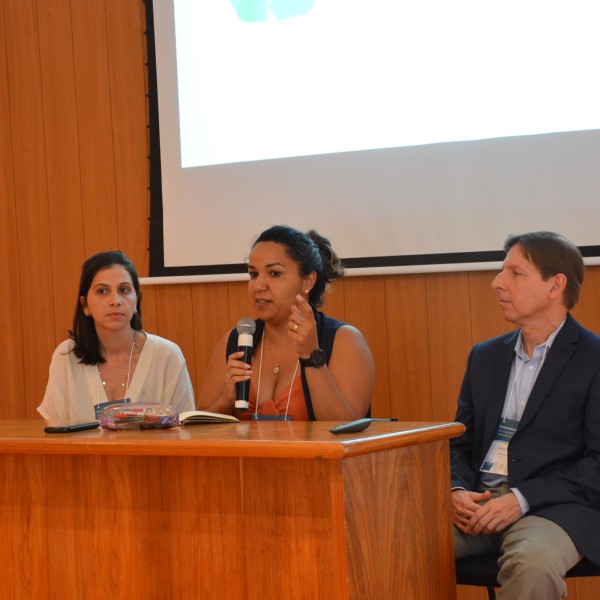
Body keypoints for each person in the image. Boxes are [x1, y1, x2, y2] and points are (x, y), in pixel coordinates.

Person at [451, 231, 600, 600]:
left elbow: (597, 463)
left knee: (531, 563)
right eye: (501, 272)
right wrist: (456, 490)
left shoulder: (594, 359)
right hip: (478, 507)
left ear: (555, 286)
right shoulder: (484, 357)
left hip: (553, 510)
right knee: (392, 540)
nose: (497, 283)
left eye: (514, 273)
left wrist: (520, 498)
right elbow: (460, 442)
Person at [197, 225, 375, 421]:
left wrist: (311, 356)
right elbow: (199, 432)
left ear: (307, 282)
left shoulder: (344, 340)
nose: (258, 286)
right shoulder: (235, 341)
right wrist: (226, 401)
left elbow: (348, 434)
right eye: (253, 274)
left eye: (274, 274)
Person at [38, 251, 195, 422]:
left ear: (137, 301)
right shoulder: (66, 355)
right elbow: (55, 431)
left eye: (124, 290)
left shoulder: (167, 355)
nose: (115, 300)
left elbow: (184, 428)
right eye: (102, 291)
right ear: (85, 305)